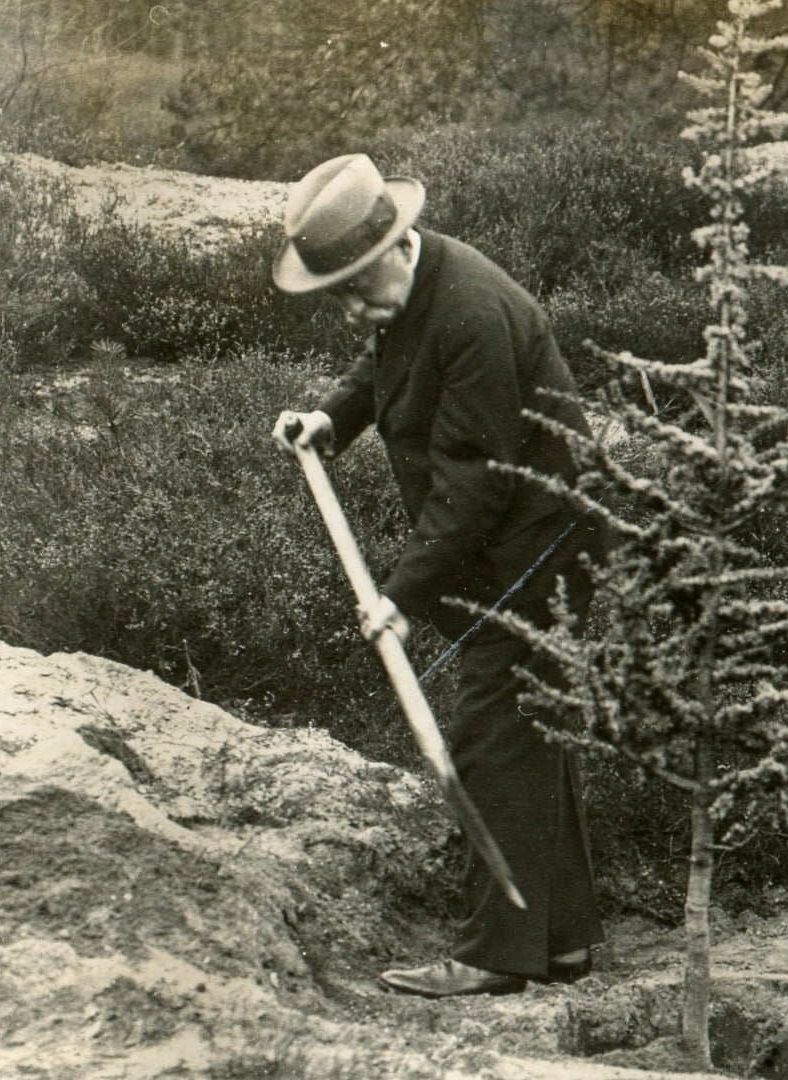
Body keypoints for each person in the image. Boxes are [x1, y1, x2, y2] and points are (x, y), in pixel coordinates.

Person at [269, 154, 604, 998]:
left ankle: (495, 956)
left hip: (541, 541)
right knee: (530, 733)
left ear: (397, 243)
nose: (350, 310)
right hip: (502, 534)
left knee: (495, 733)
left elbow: (472, 484)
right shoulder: (410, 286)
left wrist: (398, 596)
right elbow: (384, 360)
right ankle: (559, 940)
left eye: (352, 286)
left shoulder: (473, 314)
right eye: (336, 291)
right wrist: (330, 418)